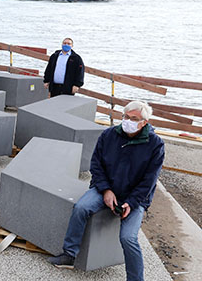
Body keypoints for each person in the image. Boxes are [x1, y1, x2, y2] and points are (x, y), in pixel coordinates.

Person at [48, 101, 164, 281]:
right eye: (126, 117)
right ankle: (69, 255)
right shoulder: (109, 134)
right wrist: (106, 191)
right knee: (81, 208)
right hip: (105, 189)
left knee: (128, 238)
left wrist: (131, 203)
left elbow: (149, 181)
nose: (128, 121)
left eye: (134, 119)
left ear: (145, 123)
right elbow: (96, 165)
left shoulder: (156, 144)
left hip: (135, 199)